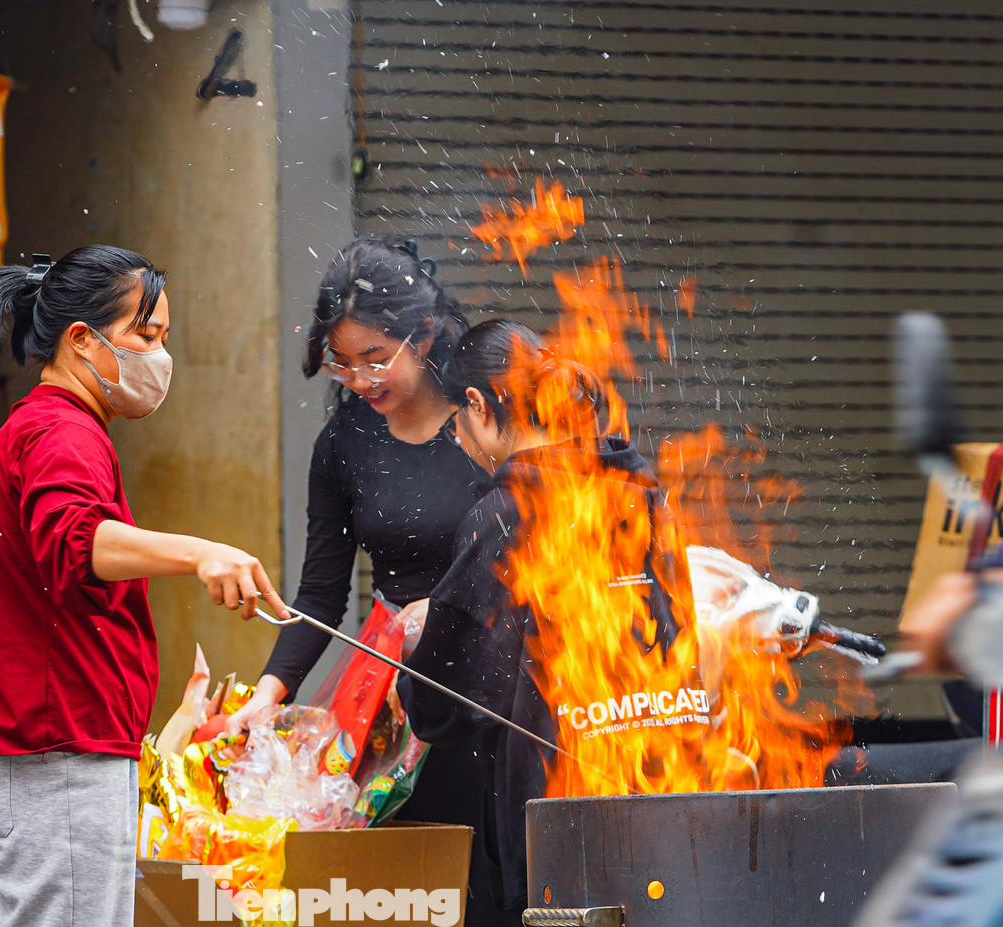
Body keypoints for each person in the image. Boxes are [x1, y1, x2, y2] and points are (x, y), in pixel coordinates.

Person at [0, 245, 290, 927]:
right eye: (147, 336)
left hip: (48, 751)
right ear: (82, 341)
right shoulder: (59, 432)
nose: (161, 357)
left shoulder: (53, 429)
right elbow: (75, 542)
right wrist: (201, 553)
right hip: (54, 755)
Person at [224, 236, 499, 920]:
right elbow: (320, 592)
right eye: (343, 365)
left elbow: (532, 546)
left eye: (377, 359)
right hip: (397, 699)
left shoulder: (483, 417)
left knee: (490, 883)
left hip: (491, 687)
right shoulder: (345, 440)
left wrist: (450, 604)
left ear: (425, 332)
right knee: (405, 889)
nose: (361, 380)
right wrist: (267, 695)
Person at [399, 319, 701, 924]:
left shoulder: (504, 516)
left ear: (478, 406)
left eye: (455, 423)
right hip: (679, 804)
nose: (459, 439)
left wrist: (414, 650)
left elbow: (445, 703)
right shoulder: (641, 495)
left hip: (563, 833)